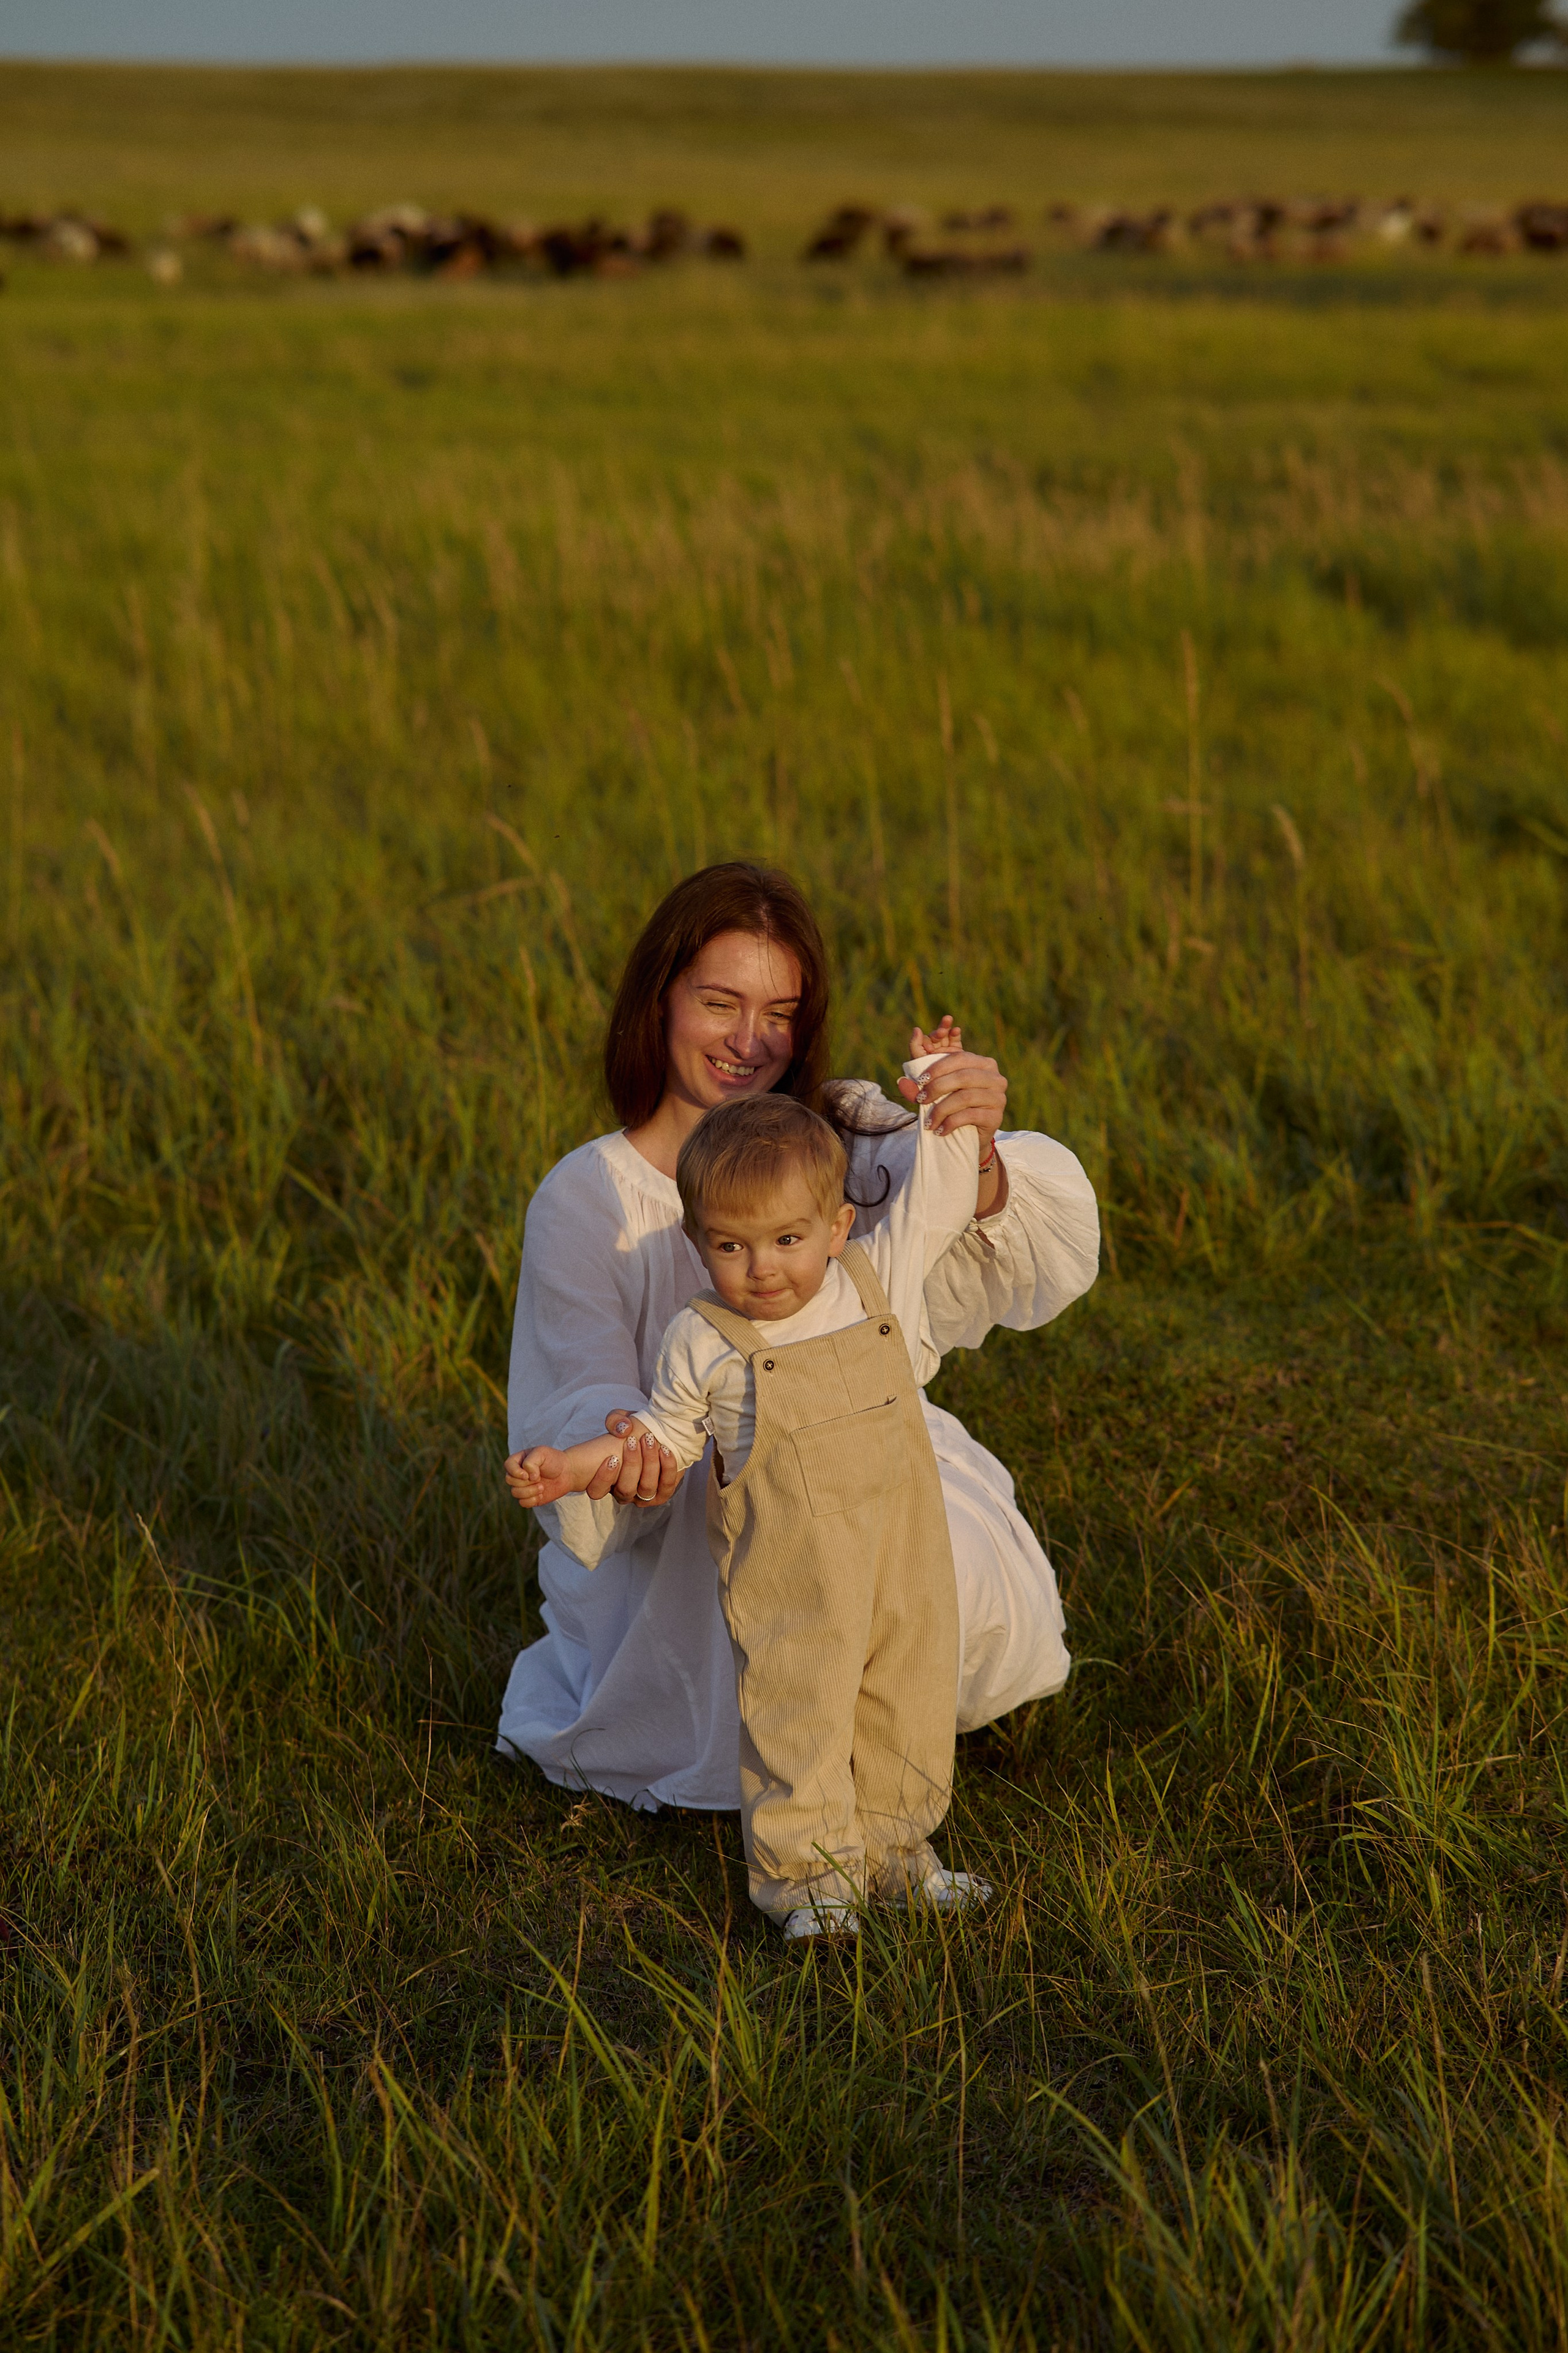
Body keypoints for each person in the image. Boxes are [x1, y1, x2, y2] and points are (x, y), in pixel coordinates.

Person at [497, 862, 1099, 1815]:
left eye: (778, 1012)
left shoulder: (837, 1132)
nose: (749, 1041)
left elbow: (970, 1232)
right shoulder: (591, 1199)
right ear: (660, 1002)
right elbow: (580, 1386)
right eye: (719, 1002)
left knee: (930, 1599)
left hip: (860, 1466)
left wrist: (974, 1145)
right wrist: (619, 1456)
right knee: (774, 1666)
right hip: (700, 1519)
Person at [507, 1065, 990, 1939]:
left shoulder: (872, 1283)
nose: (762, 1268)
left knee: (907, 1695)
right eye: (730, 1246)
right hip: (792, 1572)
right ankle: (808, 1880)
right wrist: (572, 1464)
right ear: (698, 1243)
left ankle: (893, 1852)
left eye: (787, 1240)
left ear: (839, 1227)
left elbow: (946, 1192)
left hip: (903, 1550)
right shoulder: (706, 1339)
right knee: (797, 1716)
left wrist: (933, 1086)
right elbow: (660, 1438)